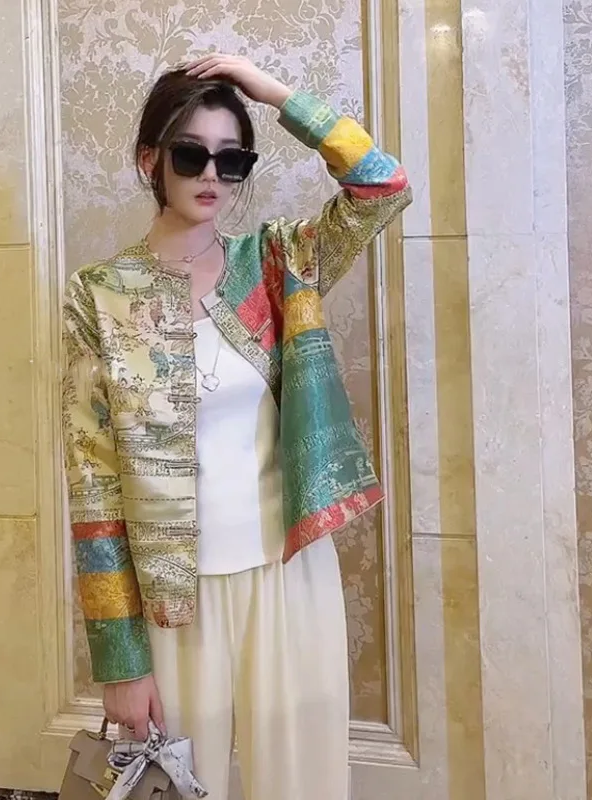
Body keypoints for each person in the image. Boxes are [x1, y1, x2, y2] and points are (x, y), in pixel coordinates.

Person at [62, 53, 411, 800]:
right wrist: (119, 660)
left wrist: (275, 93)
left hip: (288, 573)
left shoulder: (278, 263)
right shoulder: (100, 296)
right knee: (181, 786)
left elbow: (382, 186)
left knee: (302, 785)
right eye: (191, 155)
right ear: (150, 160)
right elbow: (93, 487)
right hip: (172, 594)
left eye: (232, 159)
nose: (212, 175)